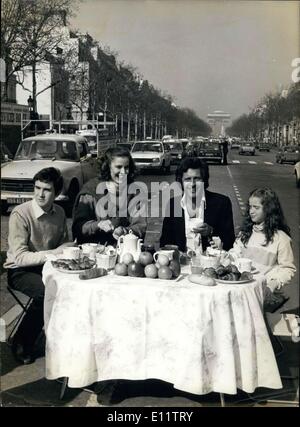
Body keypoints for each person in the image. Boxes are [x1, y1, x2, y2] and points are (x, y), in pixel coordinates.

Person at [5, 167, 73, 364]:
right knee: (47, 293)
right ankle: (21, 342)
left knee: (74, 287)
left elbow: (64, 247)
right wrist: (54, 253)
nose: (40, 194)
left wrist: (65, 252)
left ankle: (66, 341)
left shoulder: (59, 212)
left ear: (57, 193)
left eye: (47, 190)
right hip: (20, 271)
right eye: (37, 188)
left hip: (48, 266)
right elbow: (19, 258)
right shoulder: (21, 213)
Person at [229, 188, 296, 312]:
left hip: (265, 294)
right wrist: (226, 256)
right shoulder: (245, 233)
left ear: (268, 209)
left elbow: (287, 269)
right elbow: (235, 252)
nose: (251, 211)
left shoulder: (281, 238)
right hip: (242, 289)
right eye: (250, 207)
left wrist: (272, 285)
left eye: (256, 207)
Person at [72, 146, 147, 245]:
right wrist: (98, 225)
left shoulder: (135, 192)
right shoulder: (90, 192)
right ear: (107, 166)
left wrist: (125, 231)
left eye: (127, 167)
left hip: (124, 252)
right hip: (93, 253)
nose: (123, 172)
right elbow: (78, 227)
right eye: (119, 167)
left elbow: (140, 226)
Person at [160, 157, 235, 253]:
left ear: (204, 180)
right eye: (187, 179)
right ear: (181, 182)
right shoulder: (173, 205)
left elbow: (230, 242)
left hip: (211, 264)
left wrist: (211, 232)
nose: (192, 184)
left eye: (197, 179)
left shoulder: (221, 203)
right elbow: (164, 243)